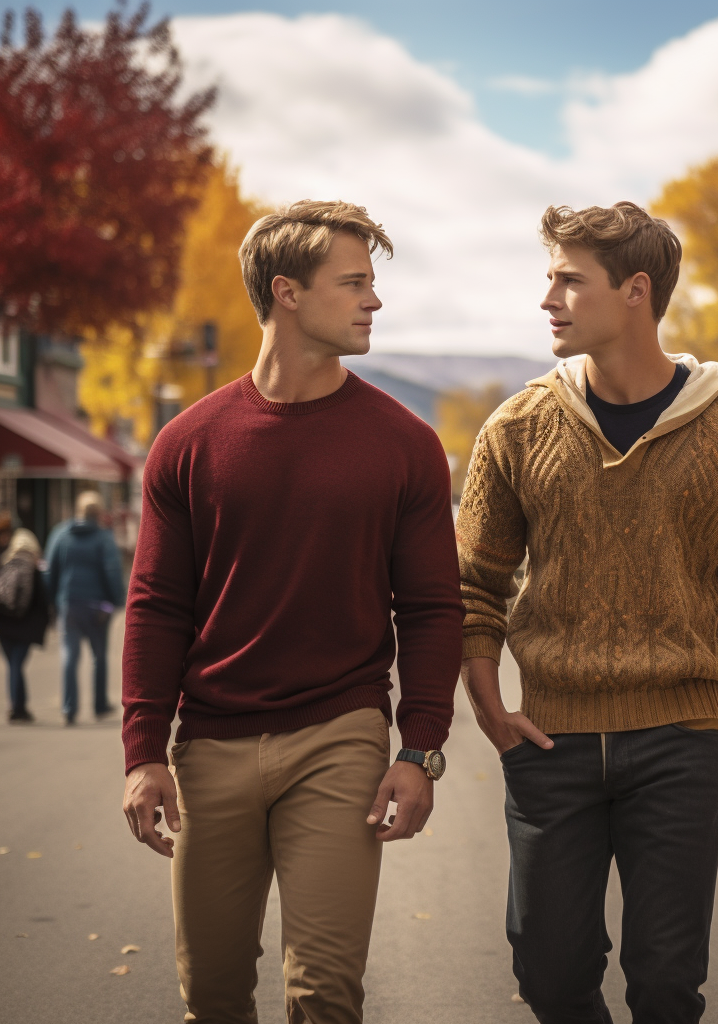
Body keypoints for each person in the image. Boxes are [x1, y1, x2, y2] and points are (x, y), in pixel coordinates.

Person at [457, 202, 718, 1024]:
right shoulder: (515, 429)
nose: (547, 297)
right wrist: (490, 707)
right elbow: (472, 587)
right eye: (548, 277)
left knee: (666, 986)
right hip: (550, 744)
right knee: (550, 976)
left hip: (680, 746)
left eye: (568, 280)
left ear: (636, 291)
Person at [120, 201, 463, 1024]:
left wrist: (419, 749)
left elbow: (429, 609)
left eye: (372, 284)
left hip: (339, 738)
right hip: (209, 743)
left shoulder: (406, 445)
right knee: (212, 992)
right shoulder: (189, 442)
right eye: (353, 283)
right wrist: (143, 751)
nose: (373, 301)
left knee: (324, 993)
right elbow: (157, 605)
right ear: (287, 293)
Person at [44, 491, 125, 725]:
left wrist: (53, 601)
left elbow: (50, 571)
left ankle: (69, 707)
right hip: (98, 607)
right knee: (99, 657)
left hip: (68, 603)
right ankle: (99, 705)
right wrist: (117, 600)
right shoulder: (103, 538)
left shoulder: (61, 534)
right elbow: (112, 572)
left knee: (69, 656)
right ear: (99, 513)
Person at [0, 528, 50, 723]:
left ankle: (19, 707)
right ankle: (17, 709)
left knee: (13, 666)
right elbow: (42, 601)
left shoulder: (4, 564)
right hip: (25, 628)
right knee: (17, 666)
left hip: (4, 627)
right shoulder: (34, 568)